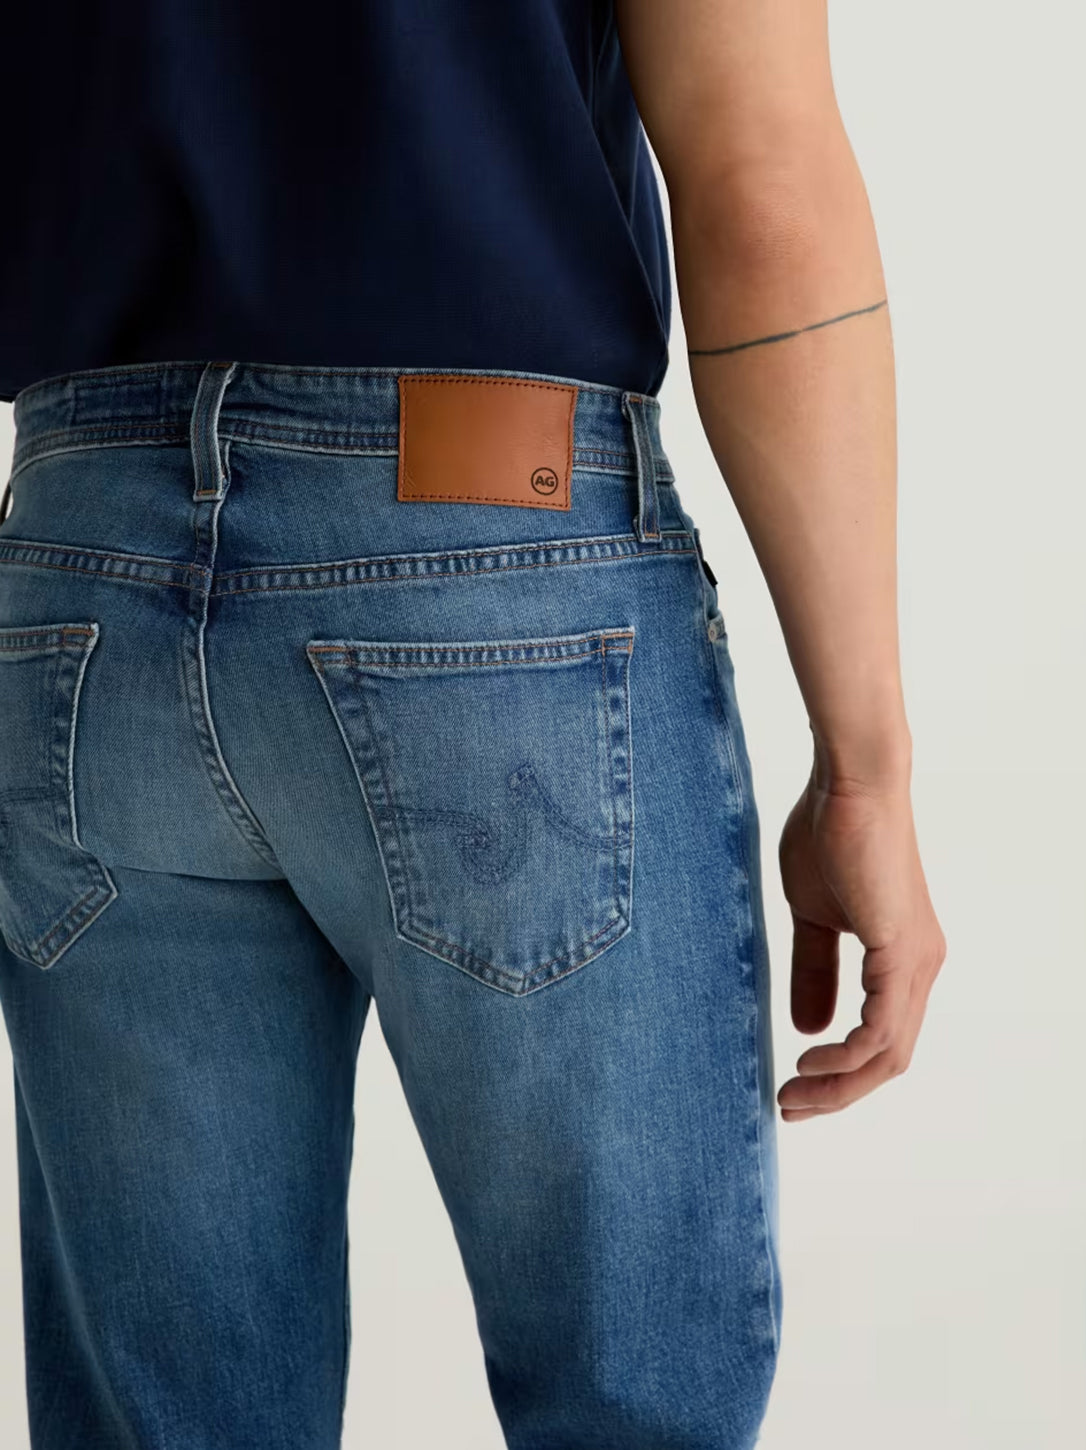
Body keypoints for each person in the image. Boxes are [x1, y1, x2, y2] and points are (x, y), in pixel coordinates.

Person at [0, 1, 946, 1446]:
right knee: (633, 1408)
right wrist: (865, 769)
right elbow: (759, 182)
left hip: (81, 567)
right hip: (493, 557)